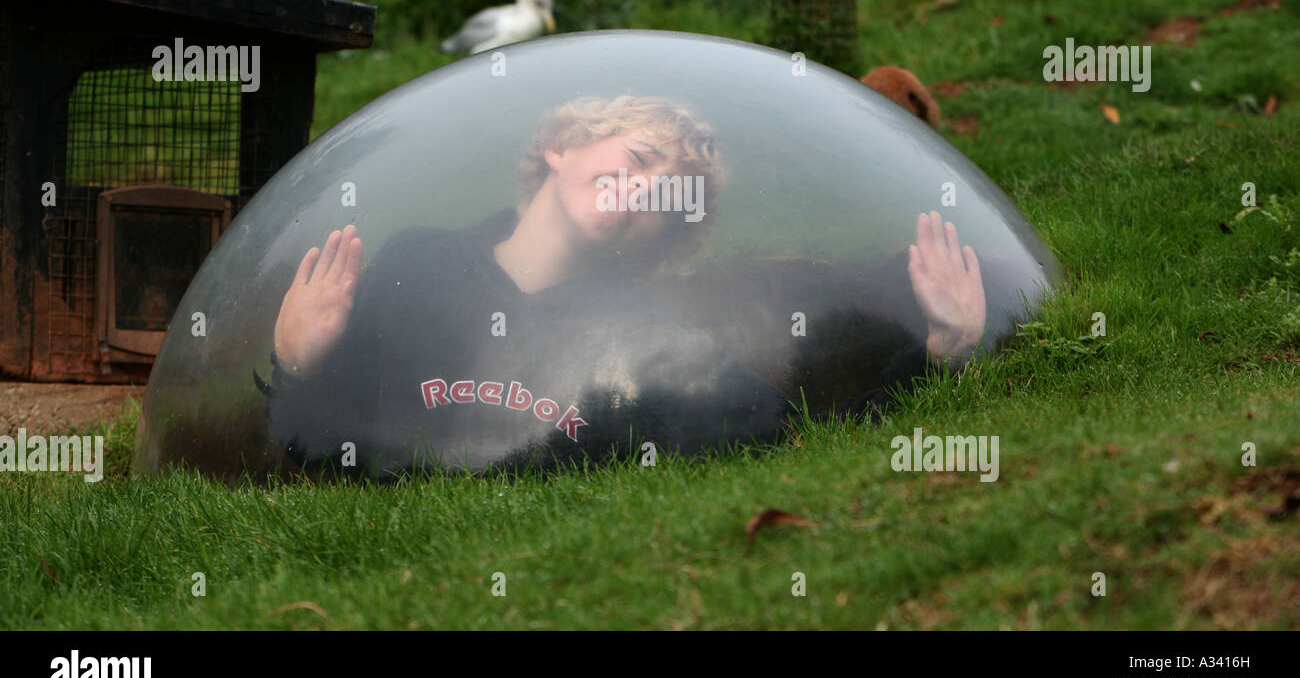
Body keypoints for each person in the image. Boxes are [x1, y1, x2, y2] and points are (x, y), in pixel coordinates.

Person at [255, 95, 986, 479]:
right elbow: (324, 444)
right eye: (637, 158)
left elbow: (793, 446)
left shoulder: (650, 342)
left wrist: (940, 354)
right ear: (562, 144)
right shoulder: (419, 262)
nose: (639, 192)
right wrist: (298, 363)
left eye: (666, 199)